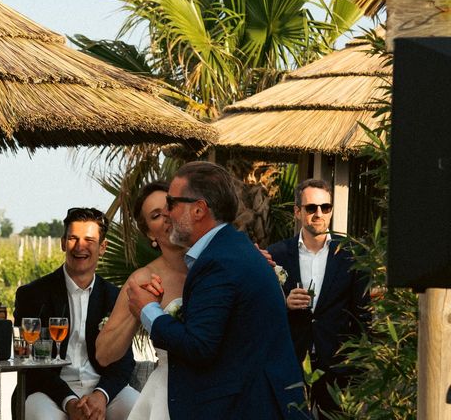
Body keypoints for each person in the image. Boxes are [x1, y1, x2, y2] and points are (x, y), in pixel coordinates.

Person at [127, 161, 306, 419]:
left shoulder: (218, 261)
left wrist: (148, 310)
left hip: (248, 407)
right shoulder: (231, 248)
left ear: (199, 210)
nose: (167, 212)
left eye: (172, 203)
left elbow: (199, 345)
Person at [13, 207, 138, 420]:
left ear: (103, 247)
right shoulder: (32, 295)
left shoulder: (116, 297)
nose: (80, 247)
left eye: (89, 240)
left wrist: (101, 395)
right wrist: (68, 400)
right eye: (73, 238)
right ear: (63, 243)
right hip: (49, 391)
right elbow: (30, 363)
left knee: (137, 410)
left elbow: (124, 362)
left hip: (103, 388)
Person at [264, 178, 370, 418]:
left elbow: (363, 313)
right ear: (297, 212)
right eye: (311, 208)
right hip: (290, 362)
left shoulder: (352, 254)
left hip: (339, 368)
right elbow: (261, 311)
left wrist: (361, 366)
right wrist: (285, 304)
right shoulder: (276, 254)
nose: (319, 214)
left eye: (326, 207)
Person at [96, 182, 188, 420]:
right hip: (170, 395)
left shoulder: (218, 263)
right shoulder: (143, 279)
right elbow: (104, 354)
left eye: (170, 206)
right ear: (149, 233)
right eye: (156, 215)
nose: (167, 217)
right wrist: (142, 309)